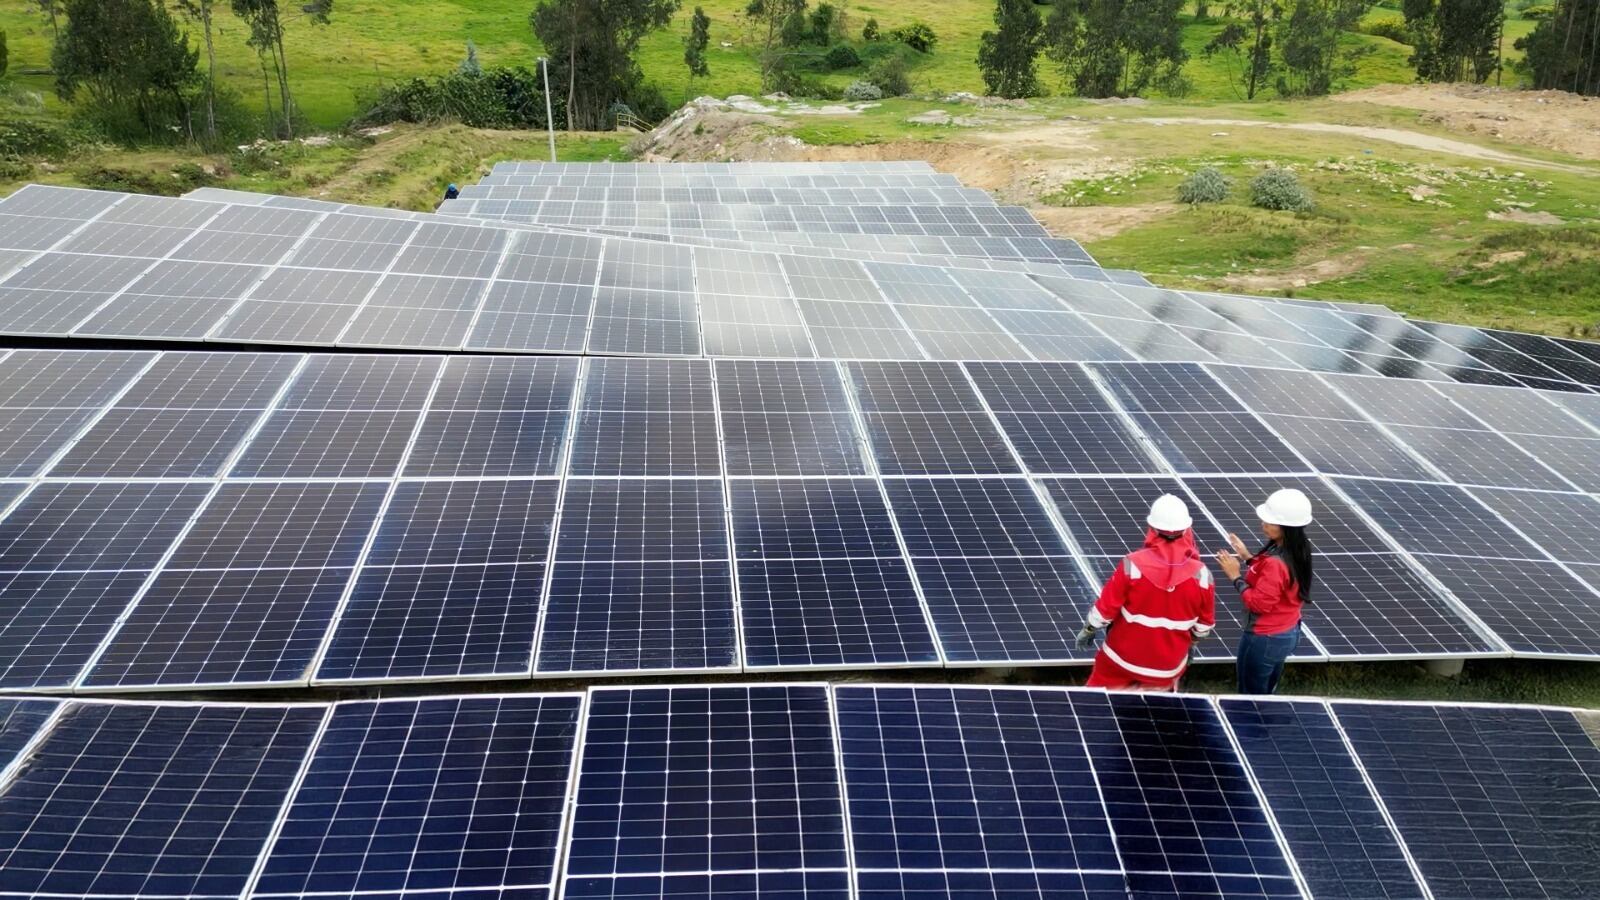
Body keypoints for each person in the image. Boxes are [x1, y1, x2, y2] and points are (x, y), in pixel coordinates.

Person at [1077, 494, 1216, 691]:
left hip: (1121, 660)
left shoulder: (1132, 565)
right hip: (1167, 669)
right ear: (1186, 530)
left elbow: (1105, 610)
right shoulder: (1202, 575)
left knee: (1097, 704)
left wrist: (1089, 629)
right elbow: (1203, 626)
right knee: (1152, 712)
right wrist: (1190, 645)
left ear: (1152, 529)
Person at [1216, 488, 1314, 695]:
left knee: (1251, 696)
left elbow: (1258, 604)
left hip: (1265, 638)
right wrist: (1247, 557)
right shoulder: (1299, 548)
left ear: (1287, 527)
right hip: (1288, 631)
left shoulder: (1276, 563)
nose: (1264, 524)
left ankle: (1253, 726)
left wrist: (1235, 576)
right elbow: (1277, 581)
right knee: (1267, 691)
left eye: (1270, 522)